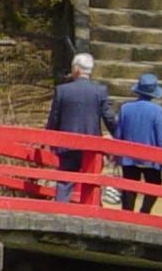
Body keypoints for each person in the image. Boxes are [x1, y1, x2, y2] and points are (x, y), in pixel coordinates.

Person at [44, 52, 116, 203]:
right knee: (91, 182)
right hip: (92, 145)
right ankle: (89, 216)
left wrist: (47, 139)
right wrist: (118, 136)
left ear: (76, 69)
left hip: (67, 144)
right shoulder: (100, 91)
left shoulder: (63, 90)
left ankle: (60, 214)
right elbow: (108, 117)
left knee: (64, 183)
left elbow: (54, 118)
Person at [114, 73, 162, 213]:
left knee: (129, 187)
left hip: (128, 157)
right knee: (154, 185)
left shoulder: (125, 108)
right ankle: (144, 212)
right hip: (151, 158)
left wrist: (115, 154)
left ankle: (127, 215)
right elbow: (161, 138)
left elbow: (119, 134)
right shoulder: (158, 111)